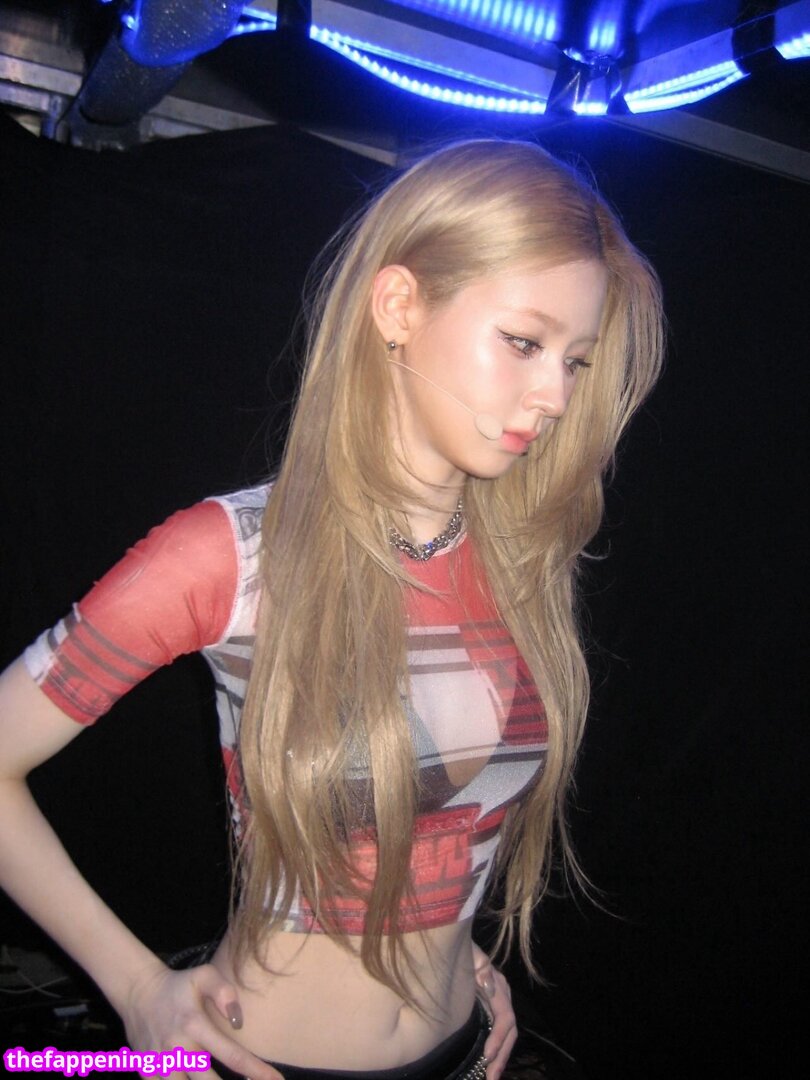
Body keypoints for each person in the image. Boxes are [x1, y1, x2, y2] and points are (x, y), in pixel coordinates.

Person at [0, 139, 663, 1080]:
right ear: (398, 308)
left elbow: (446, 816)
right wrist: (138, 986)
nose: (554, 395)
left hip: (467, 1053)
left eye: (576, 360)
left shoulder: (522, 566)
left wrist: (461, 954)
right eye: (524, 343)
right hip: (264, 1060)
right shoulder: (232, 556)